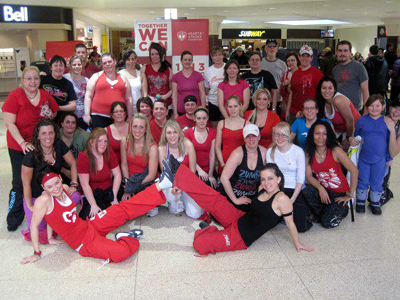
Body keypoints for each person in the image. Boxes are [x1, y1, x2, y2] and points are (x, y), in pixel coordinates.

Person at [20, 167, 177, 264]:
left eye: (57, 183)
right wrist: (36, 253)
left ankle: (161, 184)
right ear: (43, 187)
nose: (55, 188)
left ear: (61, 179)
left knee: (121, 209)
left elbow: (52, 218)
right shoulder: (43, 200)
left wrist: (50, 237)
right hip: (84, 243)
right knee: (120, 253)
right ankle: (125, 237)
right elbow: (35, 224)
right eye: (49, 186)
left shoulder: (65, 188)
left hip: (89, 225)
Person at [170, 160, 314, 255]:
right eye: (263, 179)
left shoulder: (282, 199)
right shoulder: (261, 188)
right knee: (214, 198)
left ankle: (209, 230)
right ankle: (179, 173)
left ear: (279, 179)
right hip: (238, 218)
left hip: (241, 237)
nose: (266, 182)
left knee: (200, 245)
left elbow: (290, 223)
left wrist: (297, 243)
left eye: (270, 178)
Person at [2, 66, 59, 231]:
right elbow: (9, 123)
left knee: (39, 181)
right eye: (29, 78)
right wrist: (22, 143)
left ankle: (40, 213)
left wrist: (49, 115)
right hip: (19, 147)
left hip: (39, 147)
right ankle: (14, 217)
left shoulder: (45, 95)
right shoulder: (15, 96)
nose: (32, 81)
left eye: (35, 78)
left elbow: (54, 112)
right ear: (22, 80)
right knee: (19, 183)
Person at [21, 119, 78, 243]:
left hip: (54, 192)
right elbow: (25, 184)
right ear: (38, 136)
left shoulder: (58, 144)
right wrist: (30, 205)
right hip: (37, 197)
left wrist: (74, 183)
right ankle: (53, 223)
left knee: (75, 196)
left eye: (51, 133)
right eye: (44, 133)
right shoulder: (31, 155)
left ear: (55, 133)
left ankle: (56, 222)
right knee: (38, 233)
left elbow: (73, 163)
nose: (48, 137)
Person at [303, 120, 358, 228]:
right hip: (325, 190)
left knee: (327, 223)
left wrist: (350, 195)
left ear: (328, 136)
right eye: (317, 133)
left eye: (324, 134)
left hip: (339, 193)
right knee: (307, 191)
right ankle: (328, 212)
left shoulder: (335, 150)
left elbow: (354, 170)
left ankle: (341, 210)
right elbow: (308, 176)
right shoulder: (308, 152)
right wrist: (320, 188)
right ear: (312, 135)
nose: (320, 137)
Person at [266, 123, 312, 232]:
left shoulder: (297, 151)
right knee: (269, 223)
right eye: (277, 135)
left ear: (289, 136)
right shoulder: (270, 152)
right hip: (278, 189)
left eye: (284, 135)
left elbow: (301, 179)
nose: (280, 138)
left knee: (301, 227)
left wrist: (291, 200)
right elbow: (270, 177)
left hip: (295, 190)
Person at [350, 95, 390, 215]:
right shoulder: (361, 120)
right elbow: (357, 136)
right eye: (371, 105)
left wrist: (389, 157)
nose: (374, 108)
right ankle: (361, 201)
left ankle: (374, 202)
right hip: (363, 157)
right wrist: (353, 140)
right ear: (367, 107)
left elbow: (389, 141)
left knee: (377, 180)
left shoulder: (387, 121)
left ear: (383, 107)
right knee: (362, 179)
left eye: (377, 105)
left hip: (380, 158)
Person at [156, 120, 204, 219]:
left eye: (175, 132)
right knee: (174, 209)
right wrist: (174, 186)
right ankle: (173, 201)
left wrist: (182, 187)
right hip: (171, 183)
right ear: (165, 135)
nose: (172, 135)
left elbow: (192, 171)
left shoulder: (188, 145)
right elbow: (165, 173)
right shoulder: (162, 149)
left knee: (194, 214)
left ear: (179, 133)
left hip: (187, 181)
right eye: (169, 132)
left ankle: (186, 201)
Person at [77, 128, 122, 219]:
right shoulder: (83, 157)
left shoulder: (109, 152)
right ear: (91, 142)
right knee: (92, 217)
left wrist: (114, 197)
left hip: (109, 191)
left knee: (116, 214)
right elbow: (85, 185)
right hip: (92, 195)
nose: (103, 144)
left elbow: (117, 174)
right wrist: (93, 205)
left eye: (105, 141)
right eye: (99, 141)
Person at [220, 124, 267, 212]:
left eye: (254, 136)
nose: (251, 139)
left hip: (251, 197)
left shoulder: (264, 153)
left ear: (259, 137)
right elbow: (224, 178)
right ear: (244, 139)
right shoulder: (238, 153)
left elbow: (267, 177)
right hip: (233, 194)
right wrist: (235, 200)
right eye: (248, 136)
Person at [84, 53, 133, 129]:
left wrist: (129, 116)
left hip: (119, 117)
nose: (107, 64)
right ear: (102, 65)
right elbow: (88, 96)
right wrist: (87, 114)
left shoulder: (123, 78)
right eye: (105, 63)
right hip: (98, 116)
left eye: (109, 62)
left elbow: (128, 98)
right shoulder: (95, 76)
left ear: (115, 62)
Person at [121, 113, 158, 199]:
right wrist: (127, 184)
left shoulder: (152, 147)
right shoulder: (125, 140)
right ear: (131, 127)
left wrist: (132, 188)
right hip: (129, 179)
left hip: (145, 181)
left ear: (145, 129)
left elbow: (151, 175)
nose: (137, 130)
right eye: (135, 126)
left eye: (141, 127)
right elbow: (124, 165)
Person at [317, 77, 360, 146]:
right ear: (320, 89)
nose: (327, 91)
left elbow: (350, 121)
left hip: (354, 128)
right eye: (324, 88)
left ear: (335, 89)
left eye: (330, 88)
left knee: (345, 151)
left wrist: (348, 139)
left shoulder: (338, 100)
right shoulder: (321, 102)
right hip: (339, 130)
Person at [286, 45, 323, 123]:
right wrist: (287, 110)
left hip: (310, 113)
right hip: (294, 112)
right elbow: (292, 93)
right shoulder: (295, 74)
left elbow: (320, 96)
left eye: (307, 56)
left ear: (311, 58)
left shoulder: (318, 74)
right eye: (303, 55)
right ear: (299, 57)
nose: (305, 58)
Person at [184, 107, 217, 188]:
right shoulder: (188, 132)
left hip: (209, 170)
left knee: (212, 187)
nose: (201, 121)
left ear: (207, 119)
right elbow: (188, 155)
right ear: (194, 119)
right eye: (199, 118)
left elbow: (212, 154)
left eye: (204, 118)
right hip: (193, 168)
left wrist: (210, 175)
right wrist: (199, 171)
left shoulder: (213, 132)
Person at [332, 40, 369, 111]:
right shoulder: (335, 69)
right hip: (337, 109)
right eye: (340, 51)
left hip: (354, 109)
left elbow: (365, 91)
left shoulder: (359, 67)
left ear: (350, 53)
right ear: (337, 53)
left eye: (345, 51)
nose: (342, 53)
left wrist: (366, 111)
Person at [215, 96, 247, 174]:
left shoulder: (247, 124)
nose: (233, 109)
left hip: (241, 163)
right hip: (224, 161)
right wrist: (222, 164)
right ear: (227, 108)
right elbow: (217, 146)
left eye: (235, 106)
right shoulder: (221, 123)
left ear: (240, 106)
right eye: (230, 107)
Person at [41, 55, 77, 123]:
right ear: (51, 67)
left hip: (61, 120)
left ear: (64, 68)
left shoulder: (68, 84)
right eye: (55, 65)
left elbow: (73, 106)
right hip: (42, 118)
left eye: (61, 65)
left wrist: (57, 108)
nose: (58, 68)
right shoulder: (43, 79)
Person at [172, 51, 206, 118]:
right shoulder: (176, 76)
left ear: (192, 61)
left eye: (189, 60)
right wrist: (175, 112)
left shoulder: (198, 75)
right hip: (181, 110)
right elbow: (174, 95)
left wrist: (203, 110)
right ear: (181, 61)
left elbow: (202, 94)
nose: (187, 62)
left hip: (196, 110)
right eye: (185, 60)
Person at [59, 112, 89, 181]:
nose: (70, 125)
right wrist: (64, 171)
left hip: (80, 170)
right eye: (67, 122)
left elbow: (89, 157)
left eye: (73, 123)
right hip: (60, 169)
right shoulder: (56, 135)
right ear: (62, 124)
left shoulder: (84, 136)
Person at [381, 99, 400, 204]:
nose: (397, 111)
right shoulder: (380, 119)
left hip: (386, 160)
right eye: (395, 107)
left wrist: (392, 130)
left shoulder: (398, 126)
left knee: (379, 200)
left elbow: (393, 153)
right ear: (389, 107)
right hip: (369, 157)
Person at [63, 55, 89, 130]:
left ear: (82, 65)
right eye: (74, 65)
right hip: (67, 116)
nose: (77, 66)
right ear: (70, 66)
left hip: (82, 117)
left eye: (79, 64)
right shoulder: (64, 78)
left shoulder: (87, 80)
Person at [119, 49, 147, 114]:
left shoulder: (141, 74)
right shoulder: (119, 75)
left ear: (136, 60)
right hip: (124, 109)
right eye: (128, 59)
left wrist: (144, 107)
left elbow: (144, 94)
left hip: (138, 109)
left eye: (133, 59)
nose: (131, 61)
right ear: (124, 61)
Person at [204, 46, 225, 126]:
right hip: (213, 102)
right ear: (211, 57)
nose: (217, 57)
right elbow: (206, 89)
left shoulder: (228, 68)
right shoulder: (208, 71)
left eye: (219, 54)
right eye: (215, 55)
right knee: (214, 127)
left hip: (227, 102)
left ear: (223, 55)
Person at [280, 52, 300, 120]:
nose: (290, 62)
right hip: (288, 106)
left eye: (292, 60)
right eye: (288, 61)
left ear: (297, 61)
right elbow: (282, 93)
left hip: (299, 105)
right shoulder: (286, 75)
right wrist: (283, 85)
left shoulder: (302, 73)